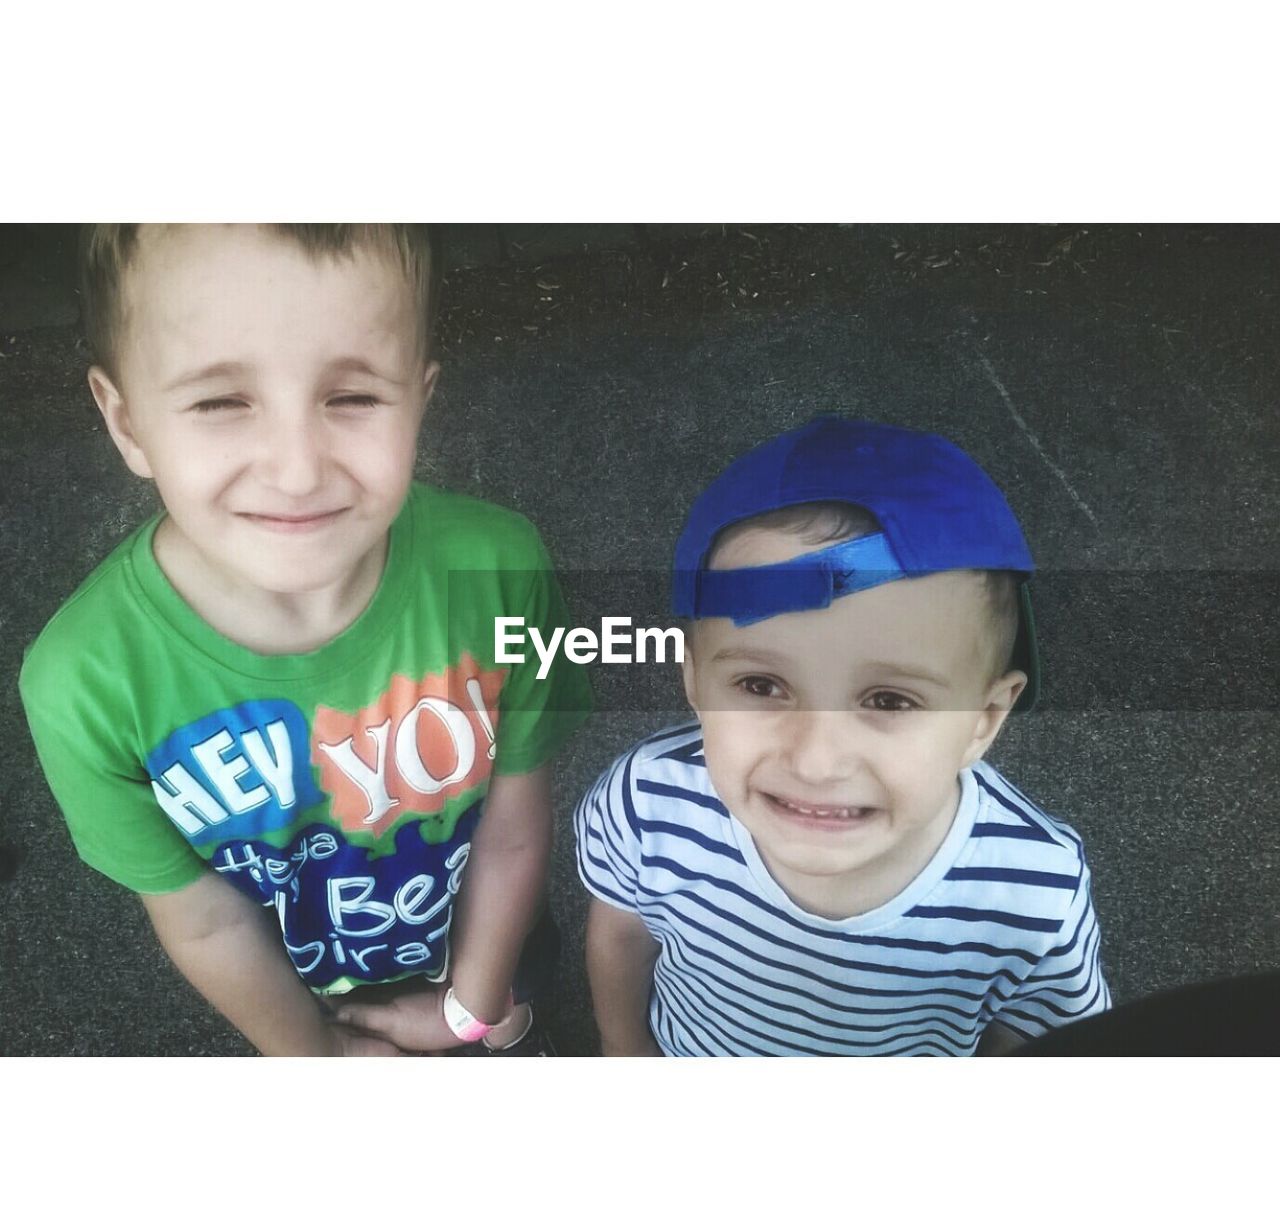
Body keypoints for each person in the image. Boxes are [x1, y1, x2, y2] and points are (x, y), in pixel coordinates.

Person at [19, 224, 590, 1056]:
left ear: (420, 398)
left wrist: (474, 1005)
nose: (296, 469)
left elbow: (513, 816)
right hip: (304, 996)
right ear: (128, 421)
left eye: (353, 398)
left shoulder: (501, 565)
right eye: (220, 402)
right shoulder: (83, 684)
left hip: (491, 941)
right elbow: (206, 922)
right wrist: (314, 1060)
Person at [576, 415, 1109, 1055]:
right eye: (761, 685)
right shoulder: (648, 804)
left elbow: (1036, 1044)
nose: (816, 760)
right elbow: (619, 938)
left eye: (890, 699)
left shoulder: (1033, 889)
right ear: (694, 677)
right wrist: (623, 1051)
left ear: (982, 721)